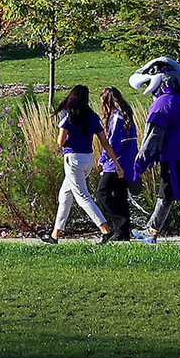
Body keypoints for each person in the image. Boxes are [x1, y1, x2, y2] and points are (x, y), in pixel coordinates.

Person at [128, 58, 180, 244]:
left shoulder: (163, 103)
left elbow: (153, 135)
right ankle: (152, 230)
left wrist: (142, 159)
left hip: (176, 155)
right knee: (167, 194)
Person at [43, 85, 112, 244]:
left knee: (82, 196)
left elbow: (60, 141)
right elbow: (103, 140)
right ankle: (55, 234)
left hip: (73, 159)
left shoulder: (68, 115)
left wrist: (67, 141)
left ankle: (105, 230)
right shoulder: (92, 116)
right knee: (65, 196)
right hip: (88, 158)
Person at [94, 86, 141, 243]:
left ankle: (120, 224)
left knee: (102, 192)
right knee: (120, 195)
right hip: (128, 160)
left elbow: (112, 143)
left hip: (116, 162)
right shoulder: (127, 117)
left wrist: (103, 159)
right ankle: (123, 233)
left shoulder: (116, 119)